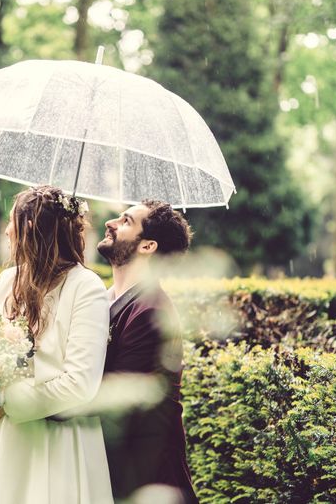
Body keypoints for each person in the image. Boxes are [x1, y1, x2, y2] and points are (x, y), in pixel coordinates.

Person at [0, 186, 114, 504]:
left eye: (13, 222)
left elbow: (81, 384)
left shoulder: (85, 287)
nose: (7, 231)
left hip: (59, 441)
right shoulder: (8, 281)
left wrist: (12, 404)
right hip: (6, 439)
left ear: (33, 229)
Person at [96, 199, 199, 504]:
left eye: (126, 221)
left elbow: (115, 400)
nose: (110, 223)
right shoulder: (104, 299)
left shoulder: (150, 311)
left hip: (143, 478)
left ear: (147, 246)